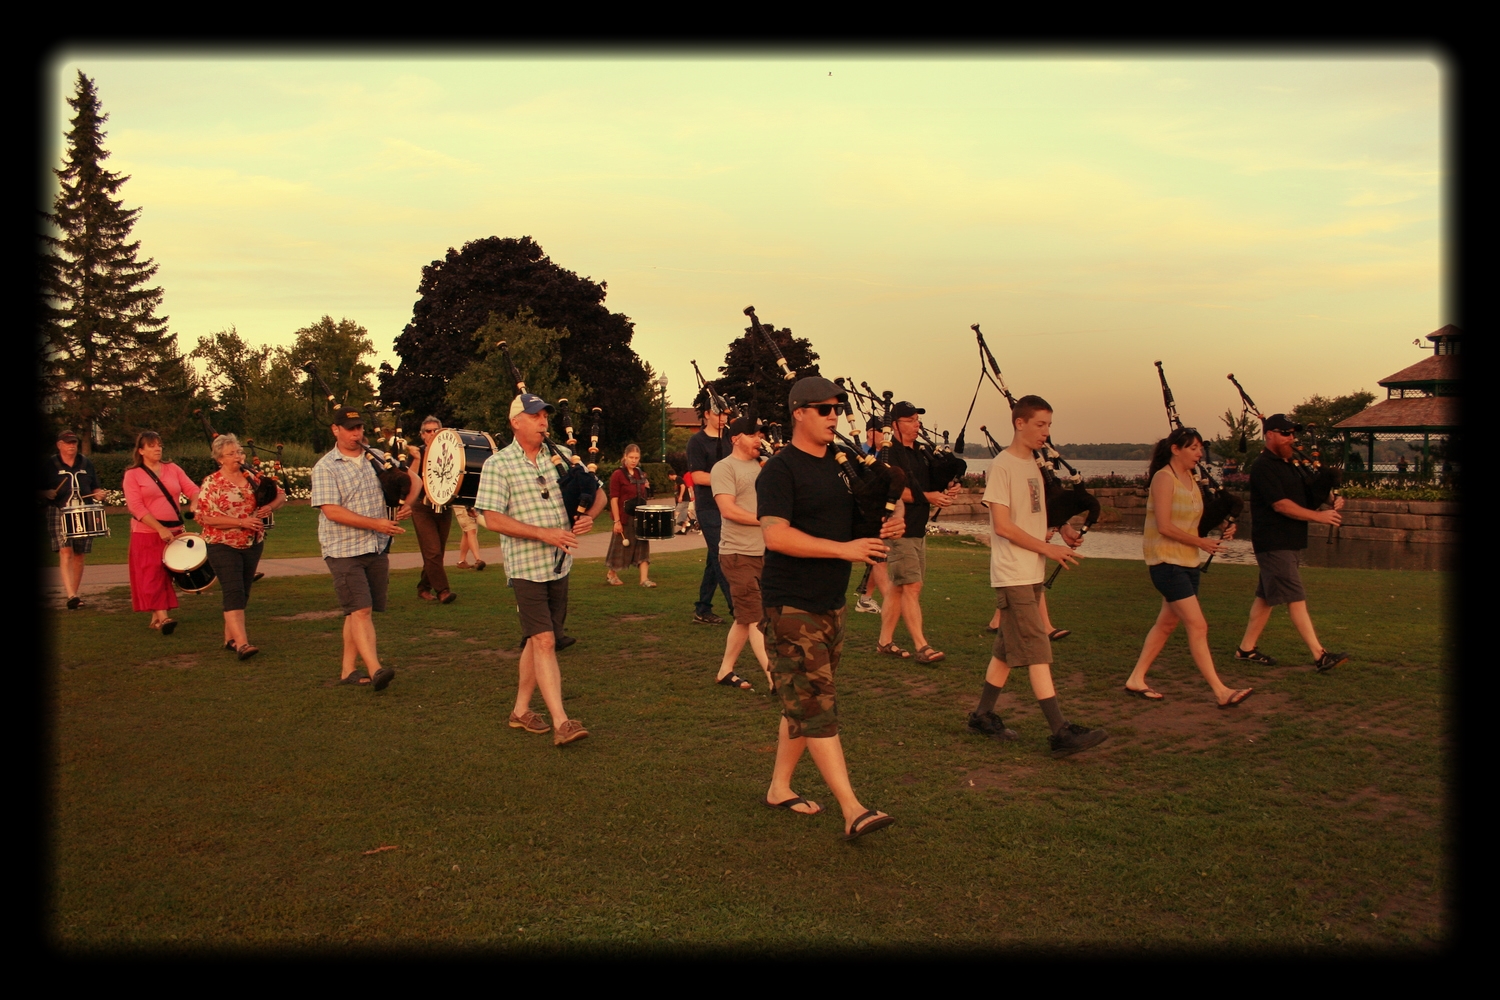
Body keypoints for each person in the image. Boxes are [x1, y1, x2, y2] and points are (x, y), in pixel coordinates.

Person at [758, 376, 903, 841]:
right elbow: (776, 536)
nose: (833, 416)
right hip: (792, 606)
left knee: (803, 702)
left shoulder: (842, 464)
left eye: (837, 409)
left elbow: (863, 517)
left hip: (831, 604)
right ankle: (852, 808)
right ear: (799, 413)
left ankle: (779, 787)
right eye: (824, 409)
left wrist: (889, 523)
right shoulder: (779, 470)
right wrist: (845, 551)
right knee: (817, 707)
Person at [967, 395, 1107, 757]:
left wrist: (1063, 530)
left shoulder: (1035, 464)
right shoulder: (1002, 466)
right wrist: (1048, 549)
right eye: (1040, 424)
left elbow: (1037, 512)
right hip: (1012, 572)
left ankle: (982, 715)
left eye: (1049, 425)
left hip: (1031, 570)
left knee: (1005, 650)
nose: (1046, 432)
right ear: (1020, 423)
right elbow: (1003, 526)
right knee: (1037, 648)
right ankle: (1061, 732)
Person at [475, 392, 606, 746]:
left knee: (537, 640)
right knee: (545, 640)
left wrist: (589, 517)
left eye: (545, 415)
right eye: (535, 416)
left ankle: (520, 711)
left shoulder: (560, 457)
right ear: (515, 422)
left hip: (559, 565)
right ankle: (562, 722)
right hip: (526, 566)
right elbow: (491, 518)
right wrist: (543, 533)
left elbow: (598, 493)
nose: (543, 421)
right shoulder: (498, 464)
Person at [1123, 427, 1252, 707]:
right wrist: (1201, 542)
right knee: (1198, 625)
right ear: (1175, 449)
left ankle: (1136, 679)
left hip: (1188, 561)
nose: (1199, 453)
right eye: (1193, 448)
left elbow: (1195, 518)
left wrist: (1223, 526)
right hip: (1166, 562)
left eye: (1200, 448)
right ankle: (1221, 691)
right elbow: (1165, 526)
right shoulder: (1163, 478)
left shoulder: (1192, 479)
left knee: (1167, 624)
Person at [1234, 414, 1350, 672]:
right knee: (1295, 597)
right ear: (1269, 435)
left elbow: (1305, 495)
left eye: (1293, 433)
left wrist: (1331, 499)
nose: (1291, 438)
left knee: (1265, 598)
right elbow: (1281, 505)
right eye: (1285, 433)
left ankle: (1246, 649)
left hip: (1289, 540)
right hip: (1274, 542)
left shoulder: (1291, 464)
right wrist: (1319, 517)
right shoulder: (1263, 466)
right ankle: (1320, 655)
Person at [311, 408, 407, 690]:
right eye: (350, 428)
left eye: (359, 428)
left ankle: (347, 670)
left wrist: (407, 504)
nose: (357, 434)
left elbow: (409, 481)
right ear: (335, 430)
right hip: (343, 549)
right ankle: (376, 669)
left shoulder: (375, 457)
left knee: (358, 611)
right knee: (362, 609)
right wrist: (376, 524)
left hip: (375, 546)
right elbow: (331, 511)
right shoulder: (325, 467)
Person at [874, 401, 959, 664]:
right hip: (898, 528)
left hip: (918, 529)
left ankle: (884, 642)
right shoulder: (888, 454)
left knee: (899, 587)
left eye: (917, 420)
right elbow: (895, 490)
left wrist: (949, 488)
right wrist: (929, 497)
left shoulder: (921, 452)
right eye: (910, 420)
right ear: (895, 425)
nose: (916, 425)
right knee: (912, 585)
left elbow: (932, 484)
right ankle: (922, 646)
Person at [196, 433, 286, 660]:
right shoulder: (212, 482)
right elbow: (206, 517)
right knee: (233, 590)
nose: (238, 457)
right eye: (231, 454)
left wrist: (270, 507)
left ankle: (230, 638)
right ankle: (243, 644)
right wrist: (240, 522)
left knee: (243, 591)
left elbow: (281, 495)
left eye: (239, 452)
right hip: (222, 543)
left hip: (252, 542)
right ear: (220, 459)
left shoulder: (253, 476)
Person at [711, 414, 772, 693]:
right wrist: (767, 521)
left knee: (745, 618)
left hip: (765, 552)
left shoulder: (764, 466)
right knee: (756, 617)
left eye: (760, 434)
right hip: (737, 554)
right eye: (752, 434)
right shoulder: (724, 468)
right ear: (736, 438)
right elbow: (728, 510)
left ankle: (725, 670)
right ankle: (775, 679)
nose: (759, 439)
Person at [122, 431, 200, 635]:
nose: (157, 449)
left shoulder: (172, 468)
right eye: (151, 445)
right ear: (141, 451)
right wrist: (159, 528)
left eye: (159, 445)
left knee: (167, 575)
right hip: (146, 532)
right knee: (151, 574)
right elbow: (136, 507)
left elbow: (192, 488)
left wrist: (194, 502)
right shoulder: (133, 475)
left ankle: (156, 618)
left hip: (174, 531)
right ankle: (164, 618)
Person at [41, 429, 106, 610]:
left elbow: (94, 487)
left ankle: (74, 596)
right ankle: (71, 594)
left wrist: (98, 494)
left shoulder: (85, 463)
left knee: (79, 554)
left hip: (83, 511)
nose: (72, 446)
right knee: (65, 551)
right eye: (68, 443)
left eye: (74, 443)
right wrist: (46, 493)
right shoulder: (50, 464)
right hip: (59, 511)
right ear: (59, 445)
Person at [688, 405, 733, 624]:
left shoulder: (731, 438)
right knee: (722, 556)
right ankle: (739, 610)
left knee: (714, 559)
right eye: (718, 413)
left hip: (730, 505)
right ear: (707, 414)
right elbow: (697, 477)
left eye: (725, 414)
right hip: (708, 507)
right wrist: (730, 480)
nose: (723, 418)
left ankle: (702, 608)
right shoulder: (697, 441)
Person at [404, 415, 456, 604]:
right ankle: (443, 591)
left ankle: (423, 587)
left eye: (436, 430)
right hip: (422, 506)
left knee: (437, 551)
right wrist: (417, 458)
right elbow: (409, 480)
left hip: (444, 506)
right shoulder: (416, 453)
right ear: (422, 434)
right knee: (433, 550)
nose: (432, 434)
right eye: (428, 431)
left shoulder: (449, 453)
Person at [853, 416, 889, 615]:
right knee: (878, 556)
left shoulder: (885, 453)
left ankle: (865, 599)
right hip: (861, 511)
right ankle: (887, 601)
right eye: (881, 431)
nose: (885, 435)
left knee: (879, 556)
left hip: (880, 511)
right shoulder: (857, 452)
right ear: (869, 432)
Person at [605, 444, 655, 587]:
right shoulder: (618, 474)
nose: (634, 460)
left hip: (640, 517)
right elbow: (614, 499)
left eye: (636, 458)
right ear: (625, 457)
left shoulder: (640, 473)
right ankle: (612, 573)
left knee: (643, 545)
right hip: (624, 517)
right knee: (620, 547)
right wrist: (617, 521)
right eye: (631, 457)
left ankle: (644, 579)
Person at [453, 505, 486, 571]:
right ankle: (478, 560)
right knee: (471, 531)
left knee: (467, 532)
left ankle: (461, 561)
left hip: (465, 506)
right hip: (464, 506)